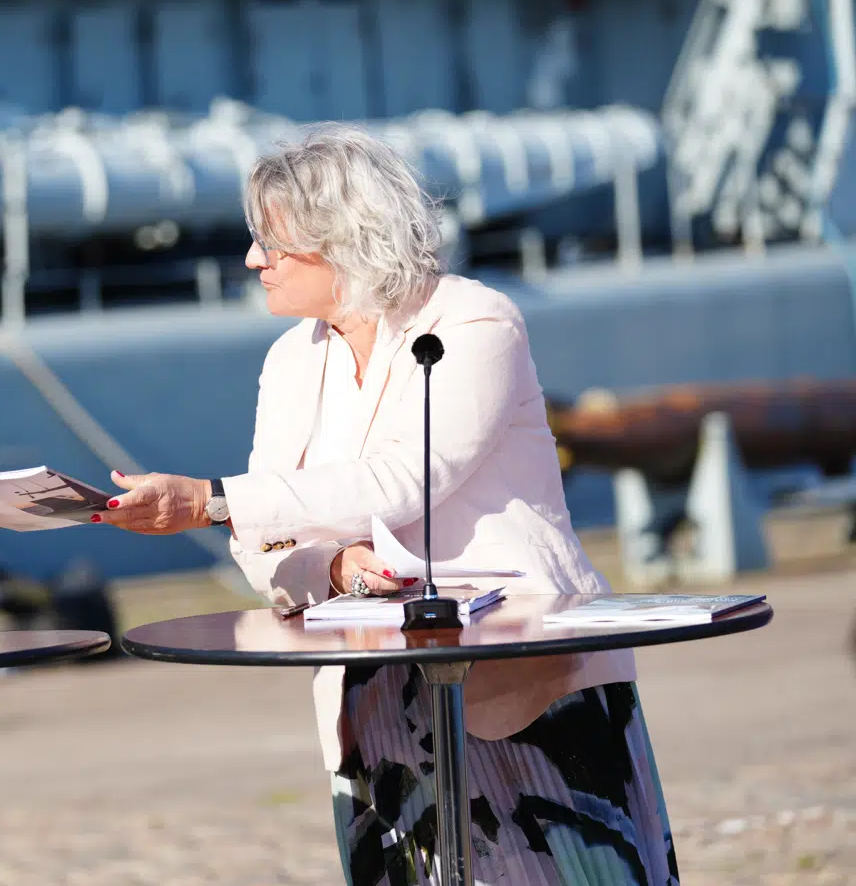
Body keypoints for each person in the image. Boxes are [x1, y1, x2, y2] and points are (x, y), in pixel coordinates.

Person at [99, 126, 679, 885]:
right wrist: (335, 566)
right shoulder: (289, 361)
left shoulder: (474, 322)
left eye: (270, 244)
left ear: (340, 238)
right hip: (377, 702)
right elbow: (261, 544)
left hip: (525, 680)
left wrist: (211, 501)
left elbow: (407, 475)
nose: (252, 261)